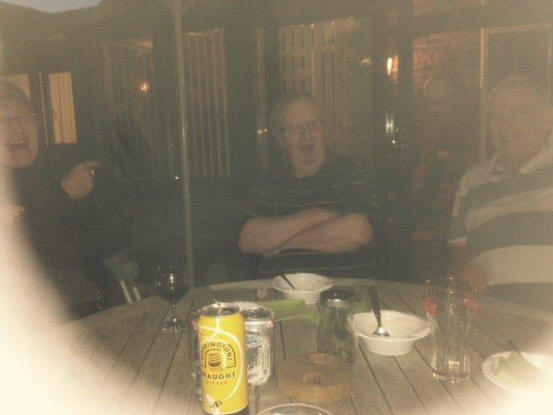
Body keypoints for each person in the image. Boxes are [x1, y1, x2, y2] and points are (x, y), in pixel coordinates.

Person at [0, 80, 127, 310]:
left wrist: (28, 221)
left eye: (23, 117)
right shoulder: (66, 183)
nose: (16, 127)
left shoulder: (64, 165)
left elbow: (114, 233)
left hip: (94, 300)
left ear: (37, 123)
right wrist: (62, 195)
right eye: (3, 120)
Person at [238, 93, 383, 278]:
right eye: (295, 129)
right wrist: (318, 215)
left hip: (346, 290)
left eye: (313, 125)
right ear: (281, 139)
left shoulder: (351, 170)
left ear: (325, 130)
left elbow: (359, 232)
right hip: (282, 292)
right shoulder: (269, 182)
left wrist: (281, 243)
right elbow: (249, 240)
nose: (306, 135)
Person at [448, 74, 553, 309]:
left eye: (518, 113)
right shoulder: (472, 182)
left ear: (548, 119)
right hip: (492, 319)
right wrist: (462, 276)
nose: (504, 126)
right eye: (495, 117)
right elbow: (456, 263)